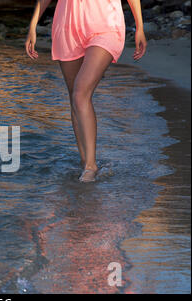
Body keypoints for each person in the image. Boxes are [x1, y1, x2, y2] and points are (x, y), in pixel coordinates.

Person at [25, 0, 147, 182]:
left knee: (81, 93)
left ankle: (91, 166)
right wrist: (33, 26)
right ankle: (85, 162)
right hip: (67, 27)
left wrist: (140, 27)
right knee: (75, 97)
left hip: (106, 25)